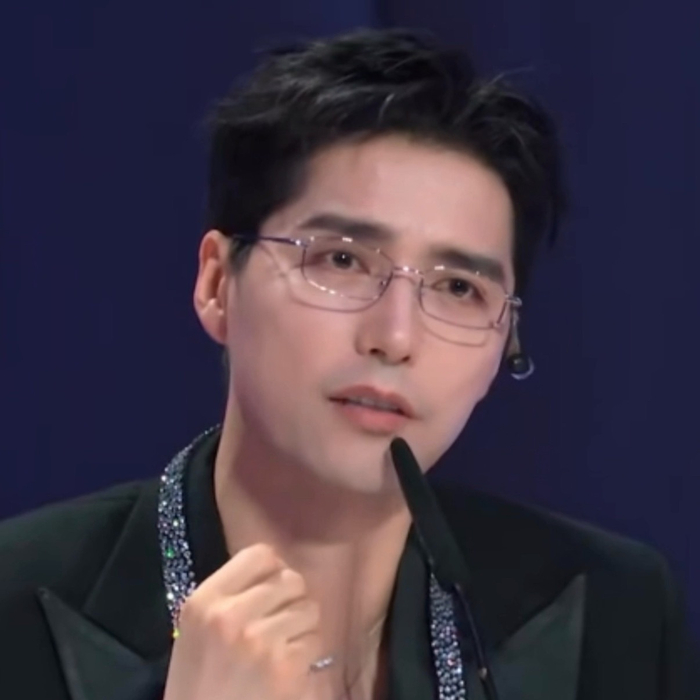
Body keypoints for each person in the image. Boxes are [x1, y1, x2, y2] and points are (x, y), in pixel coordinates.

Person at [0, 27, 696, 700]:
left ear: (504, 342)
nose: (395, 336)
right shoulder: (16, 604)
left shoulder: (617, 614)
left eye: (459, 288)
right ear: (217, 284)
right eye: (340, 260)